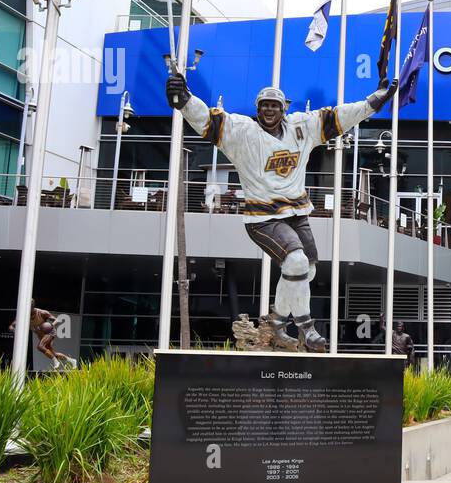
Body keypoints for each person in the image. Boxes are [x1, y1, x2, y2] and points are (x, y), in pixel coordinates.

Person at [166, 71, 396, 353]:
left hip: (297, 213)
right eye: (264, 105)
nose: (269, 109)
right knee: (297, 263)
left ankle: (275, 322)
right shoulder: (242, 133)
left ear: (284, 107)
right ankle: (307, 328)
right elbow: (207, 120)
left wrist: (372, 103)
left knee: (306, 271)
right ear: (257, 108)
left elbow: (340, 117)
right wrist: (185, 99)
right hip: (263, 218)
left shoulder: (302, 127)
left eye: (275, 105)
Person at [9, 301, 77, 370]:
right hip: (40, 335)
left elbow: (57, 320)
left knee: (40, 346)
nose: (27, 310)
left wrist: (51, 325)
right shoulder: (23, 315)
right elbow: (12, 326)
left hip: (49, 332)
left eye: (29, 308)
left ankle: (56, 362)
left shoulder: (42, 313)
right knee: (53, 354)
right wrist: (14, 330)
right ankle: (72, 361)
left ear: (32, 307)